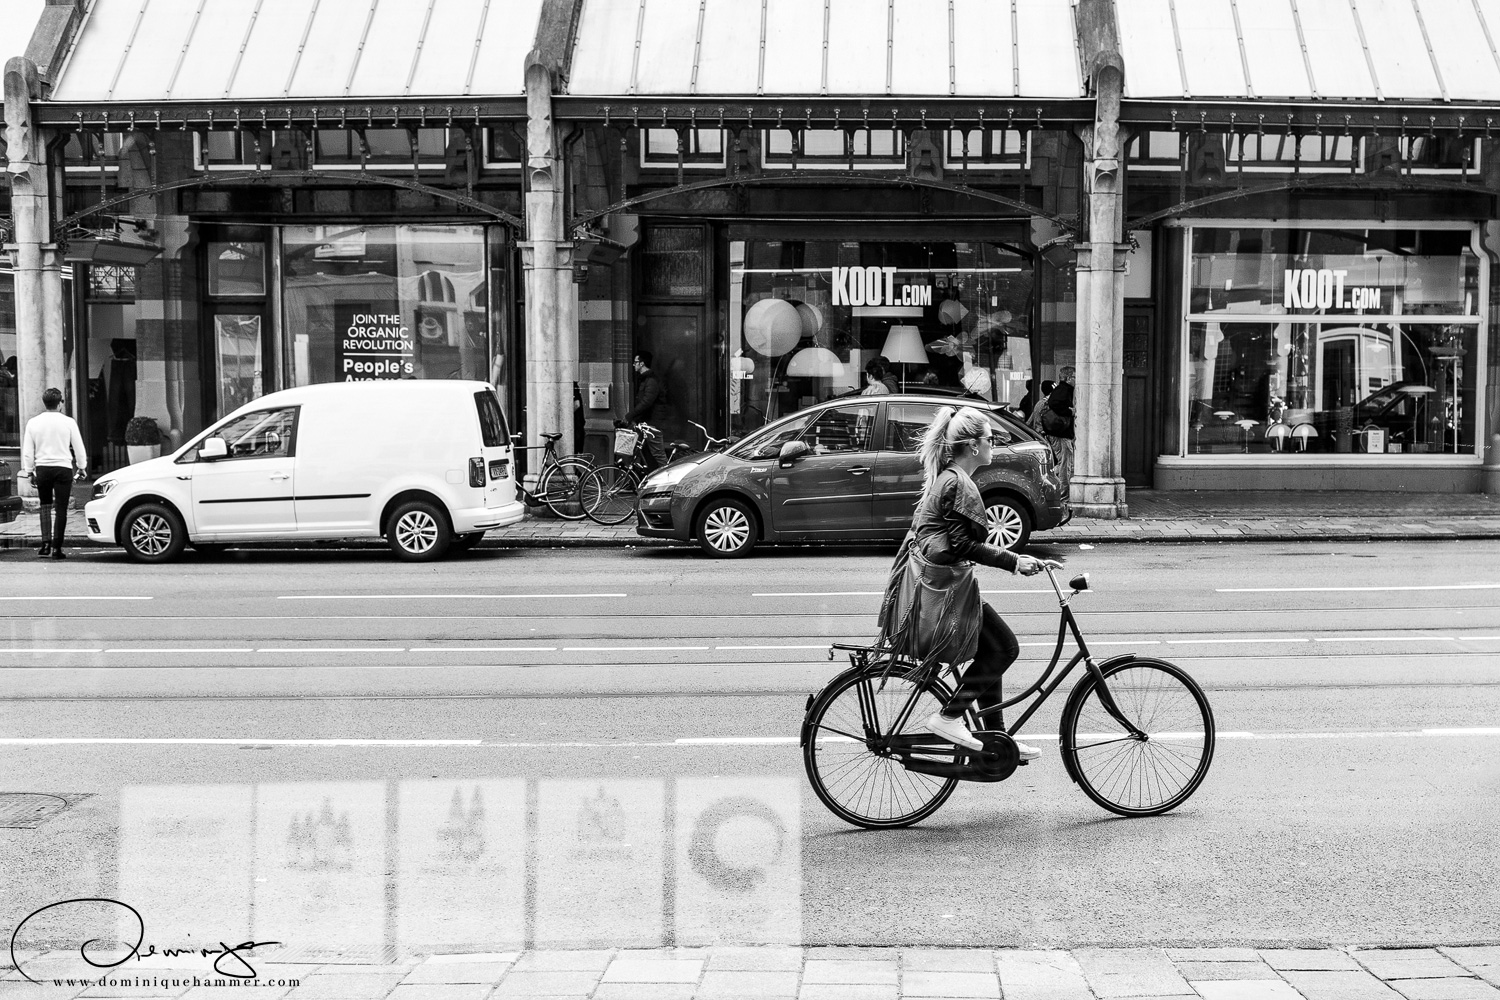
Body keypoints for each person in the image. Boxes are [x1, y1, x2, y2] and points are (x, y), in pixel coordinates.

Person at [877, 405, 1057, 758]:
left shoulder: (949, 476)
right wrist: (1013, 561)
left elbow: (955, 542)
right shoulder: (959, 482)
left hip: (944, 588)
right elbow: (963, 545)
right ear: (974, 446)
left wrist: (1016, 559)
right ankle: (949, 717)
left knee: (994, 649)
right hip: (945, 592)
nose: (996, 444)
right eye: (991, 438)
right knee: (1005, 648)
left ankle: (996, 739)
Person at [20, 387, 89, 560]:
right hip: (63, 468)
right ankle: (57, 548)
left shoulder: (33, 423)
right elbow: (79, 448)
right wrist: (81, 466)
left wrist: (29, 471)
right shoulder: (68, 422)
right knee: (61, 508)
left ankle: (45, 544)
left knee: (44, 506)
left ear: (45, 403)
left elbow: (28, 451)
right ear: (59, 404)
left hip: (42, 468)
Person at [616, 349, 666, 469]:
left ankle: (669, 477)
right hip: (644, 423)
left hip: (651, 424)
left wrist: (629, 415)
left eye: (635, 362)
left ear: (641, 363)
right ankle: (632, 479)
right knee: (633, 451)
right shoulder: (646, 379)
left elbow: (646, 402)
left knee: (658, 453)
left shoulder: (651, 381)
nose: (633, 364)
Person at [1040, 367, 1076, 491]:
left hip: (1059, 433)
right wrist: (1069, 412)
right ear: (1068, 378)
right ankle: (1063, 497)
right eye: (1074, 377)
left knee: (1063, 464)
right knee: (1065, 466)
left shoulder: (1062, 390)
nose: (1076, 381)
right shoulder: (1064, 390)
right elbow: (1054, 403)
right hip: (1061, 434)